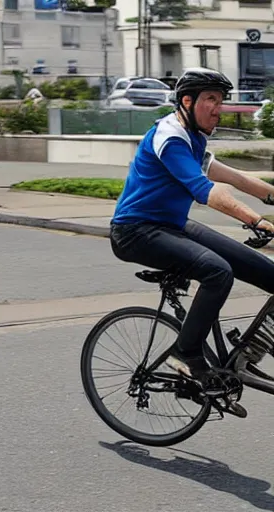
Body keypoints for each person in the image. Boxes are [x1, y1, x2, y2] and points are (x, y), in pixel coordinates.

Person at [110, 67, 274, 387]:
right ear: (187, 101)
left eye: (222, 100)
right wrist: (256, 220)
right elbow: (206, 191)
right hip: (135, 231)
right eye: (211, 99)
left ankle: (248, 355)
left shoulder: (193, 138)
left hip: (172, 226)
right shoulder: (170, 137)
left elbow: (238, 179)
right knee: (217, 271)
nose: (219, 108)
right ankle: (185, 352)